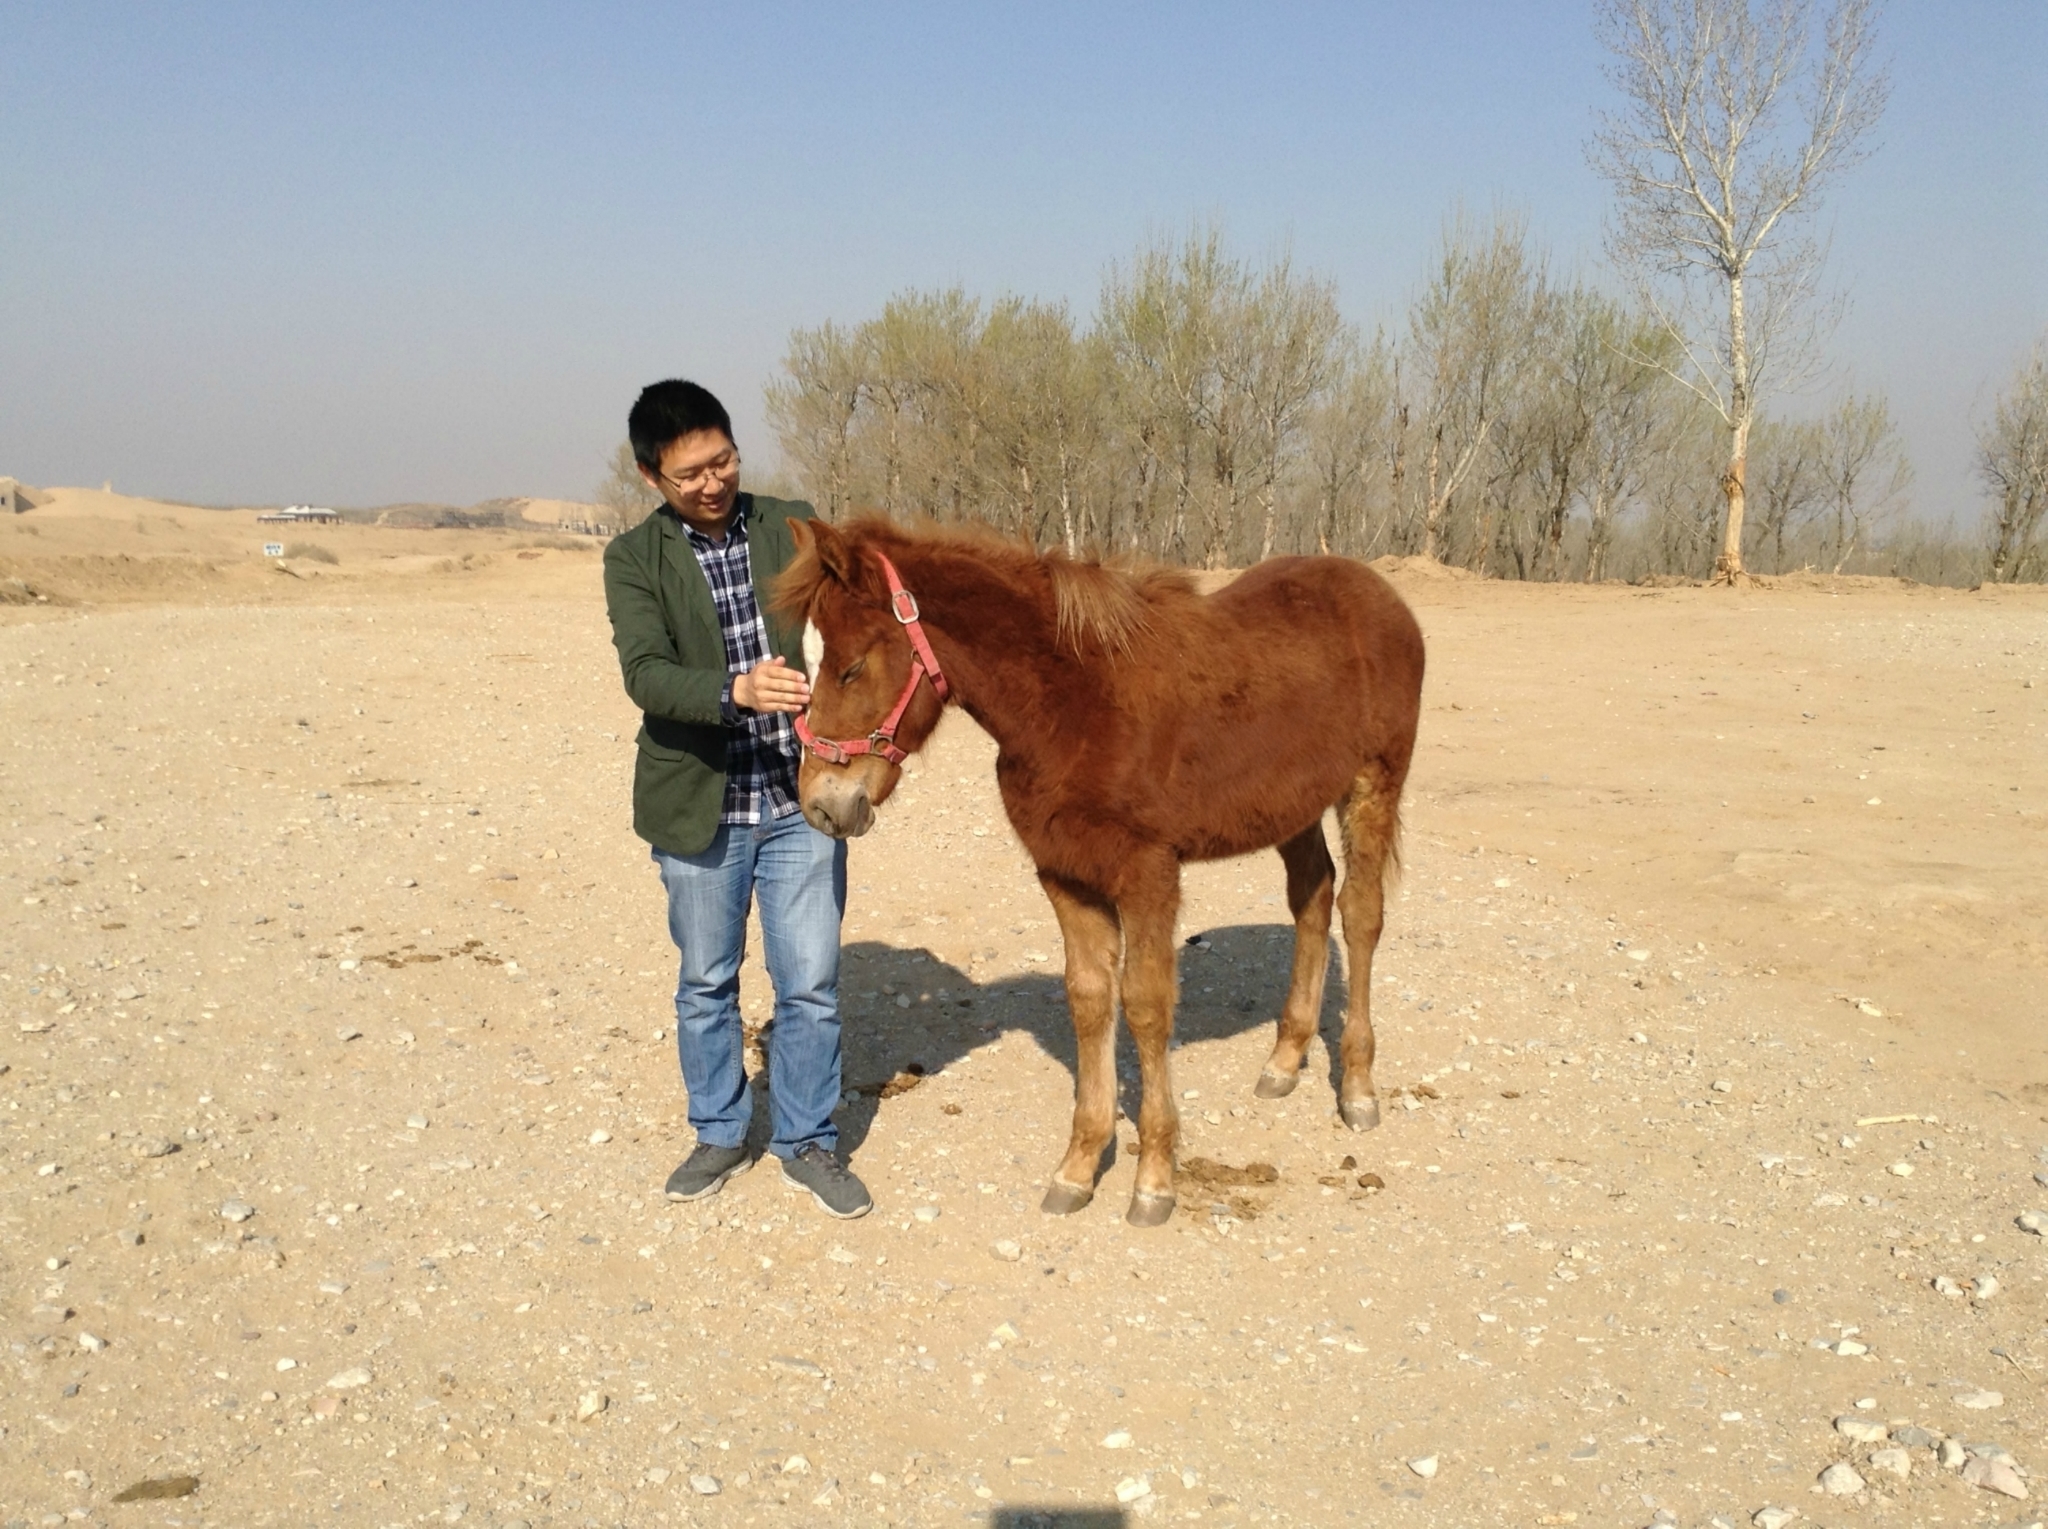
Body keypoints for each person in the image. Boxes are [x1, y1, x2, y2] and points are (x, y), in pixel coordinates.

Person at [601, 379, 871, 1219]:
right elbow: (645, 673)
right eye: (690, 473)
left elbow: (852, 620)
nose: (713, 482)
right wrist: (736, 690)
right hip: (700, 803)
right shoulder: (633, 559)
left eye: (722, 460)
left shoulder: (789, 521)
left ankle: (807, 1139)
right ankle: (720, 1129)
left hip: (801, 800)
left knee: (812, 983)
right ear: (653, 478)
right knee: (707, 980)